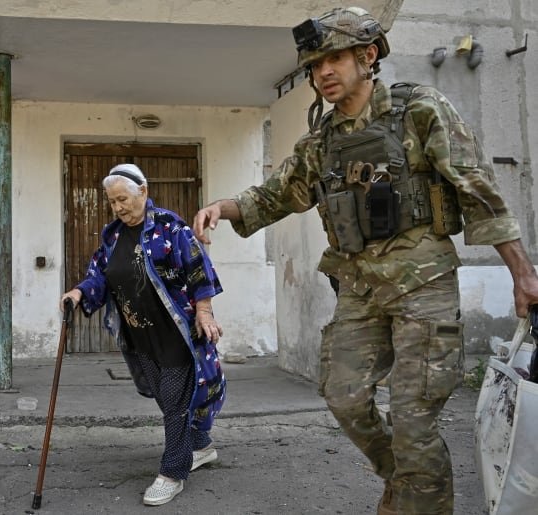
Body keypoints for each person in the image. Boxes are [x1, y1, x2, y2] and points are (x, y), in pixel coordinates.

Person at [192, 6, 538, 515]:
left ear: (367, 55)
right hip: (359, 288)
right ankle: (404, 482)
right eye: (314, 65)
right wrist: (222, 207)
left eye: (333, 59)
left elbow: (476, 187)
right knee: (345, 396)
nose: (322, 73)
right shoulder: (322, 140)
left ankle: (419, 497)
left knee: (414, 418)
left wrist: (523, 274)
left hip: (423, 285)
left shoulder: (420, 109)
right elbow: (277, 194)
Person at [60, 163, 226, 506]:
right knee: (167, 399)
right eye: (113, 202)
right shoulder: (113, 235)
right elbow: (100, 276)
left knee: (175, 404)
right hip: (140, 336)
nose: (118, 207)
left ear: (143, 192)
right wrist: (78, 293)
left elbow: (199, 269)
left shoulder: (170, 227)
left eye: (123, 199)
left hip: (176, 332)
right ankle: (201, 445)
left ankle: (172, 472)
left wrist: (205, 312)